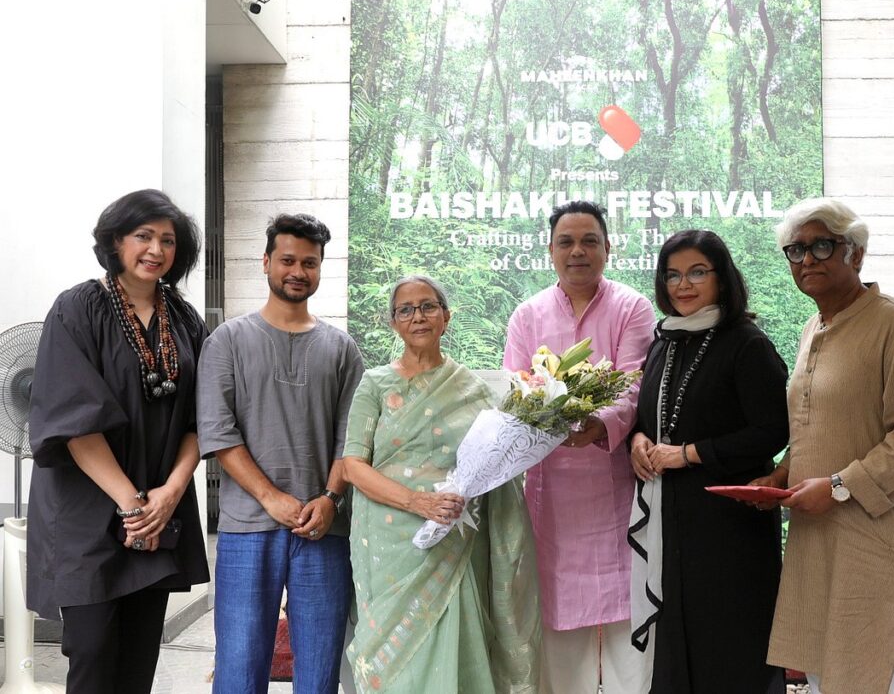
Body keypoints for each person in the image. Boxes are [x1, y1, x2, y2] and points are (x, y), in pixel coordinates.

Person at [27, 189, 210, 693]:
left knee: (138, 655)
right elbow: (74, 420)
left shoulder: (185, 320)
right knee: (92, 650)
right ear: (115, 241)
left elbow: (204, 418)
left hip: (159, 508)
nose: (156, 249)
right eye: (143, 236)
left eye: (168, 240)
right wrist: (133, 505)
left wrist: (169, 494)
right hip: (87, 509)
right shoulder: (77, 308)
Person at [764, 198, 894, 694]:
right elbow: (820, 424)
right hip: (821, 542)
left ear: (856, 253)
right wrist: (782, 473)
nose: (807, 259)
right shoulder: (814, 327)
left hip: (880, 547)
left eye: (822, 246)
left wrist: (839, 487)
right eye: (796, 250)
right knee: (830, 676)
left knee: (883, 674)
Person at [342, 275, 539, 693]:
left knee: (457, 639)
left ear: (446, 318)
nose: (418, 316)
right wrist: (417, 502)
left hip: (454, 538)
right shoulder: (374, 384)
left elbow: (494, 467)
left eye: (428, 306)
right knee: (394, 657)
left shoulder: (473, 390)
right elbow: (353, 466)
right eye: (406, 310)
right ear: (393, 323)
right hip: (391, 544)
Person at [197, 213, 364, 694]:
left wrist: (329, 499)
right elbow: (218, 432)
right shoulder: (227, 341)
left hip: (324, 528)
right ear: (266, 262)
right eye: (288, 260)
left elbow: (351, 441)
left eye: (309, 263)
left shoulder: (342, 349)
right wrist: (271, 497)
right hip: (247, 527)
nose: (298, 271)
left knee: (319, 669)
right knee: (239, 666)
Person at [627, 230, 789, 693]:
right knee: (674, 645)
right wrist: (637, 440)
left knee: (729, 644)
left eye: (697, 272)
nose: (684, 285)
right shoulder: (665, 341)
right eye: (673, 275)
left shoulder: (747, 343)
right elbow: (649, 419)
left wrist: (689, 454)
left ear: (723, 277)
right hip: (673, 520)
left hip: (729, 524)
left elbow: (773, 430)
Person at [502, 201, 655, 694]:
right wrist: (541, 417)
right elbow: (515, 390)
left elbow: (634, 384)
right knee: (558, 631)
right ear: (550, 251)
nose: (578, 252)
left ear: (608, 248)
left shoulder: (632, 307)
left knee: (628, 626)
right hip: (552, 498)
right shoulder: (528, 315)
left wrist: (597, 424)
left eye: (590, 241)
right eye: (566, 242)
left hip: (617, 490)